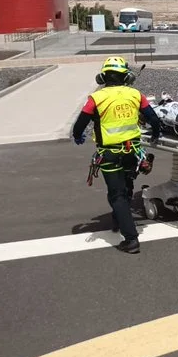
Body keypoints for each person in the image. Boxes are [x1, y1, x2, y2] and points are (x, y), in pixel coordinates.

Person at [72, 56, 162, 253]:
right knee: (127, 186)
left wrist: (78, 136)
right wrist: (155, 134)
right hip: (133, 152)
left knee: (117, 195)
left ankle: (131, 239)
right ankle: (118, 219)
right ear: (126, 76)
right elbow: (154, 119)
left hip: (109, 155)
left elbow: (80, 124)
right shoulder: (136, 95)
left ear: (102, 77)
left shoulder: (96, 98)